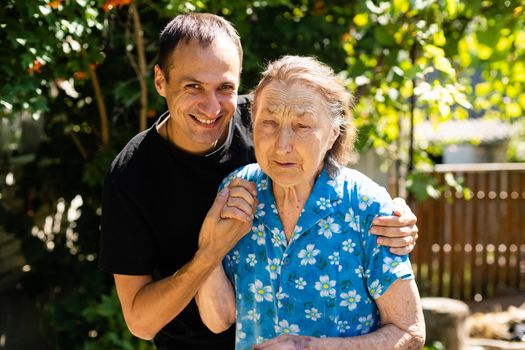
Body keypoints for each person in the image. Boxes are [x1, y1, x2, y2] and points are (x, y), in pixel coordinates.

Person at [99, 13, 419, 350]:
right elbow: (141, 322)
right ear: (160, 81)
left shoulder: (269, 115)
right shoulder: (133, 175)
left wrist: (391, 213)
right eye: (193, 86)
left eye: (225, 88)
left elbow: (332, 162)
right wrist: (209, 253)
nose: (211, 107)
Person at [196, 55, 425, 350]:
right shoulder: (238, 191)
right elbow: (218, 319)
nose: (282, 144)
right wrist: (209, 245)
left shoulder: (366, 205)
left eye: (303, 125)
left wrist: (309, 347)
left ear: (332, 133)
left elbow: (410, 331)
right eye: (269, 122)